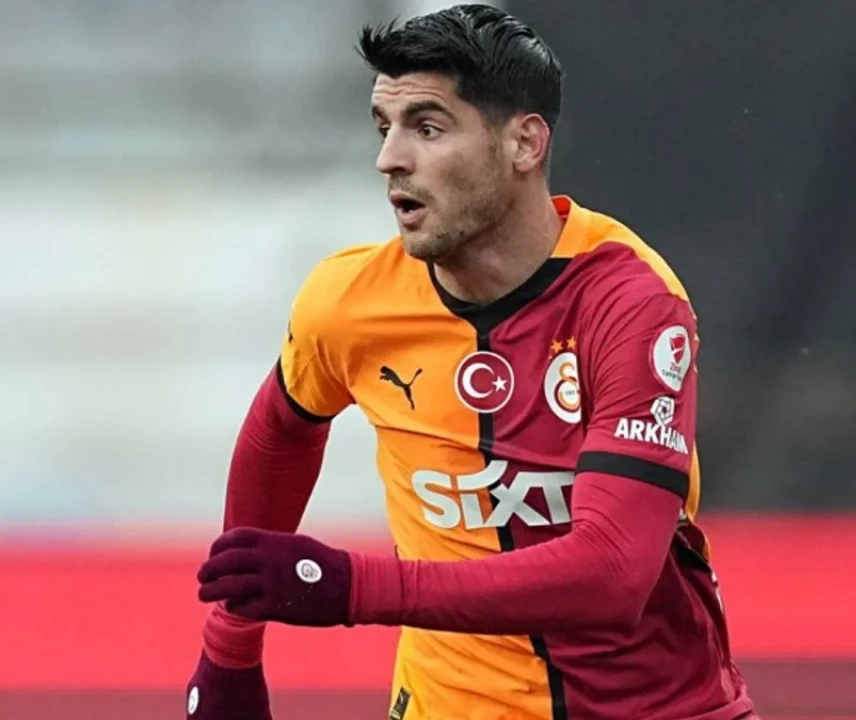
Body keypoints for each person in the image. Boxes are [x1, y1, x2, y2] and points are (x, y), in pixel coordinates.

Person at [185, 4, 755, 719]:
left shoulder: (630, 301)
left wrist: (354, 588)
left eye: (427, 127)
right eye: (384, 128)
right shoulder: (347, 299)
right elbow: (281, 432)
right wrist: (229, 648)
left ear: (525, 144)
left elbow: (612, 574)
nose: (390, 159)